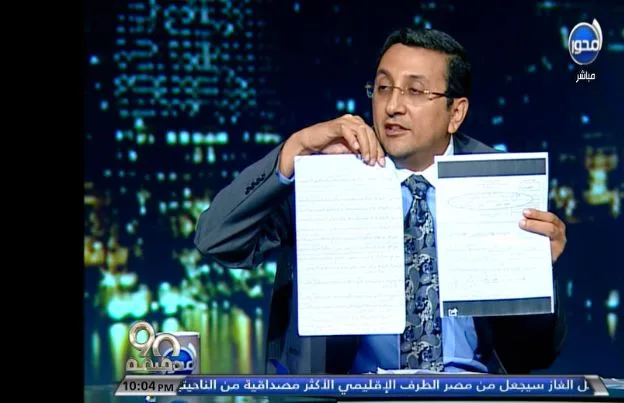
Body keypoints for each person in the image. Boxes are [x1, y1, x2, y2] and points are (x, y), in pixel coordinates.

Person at [194, 27, 567, 375]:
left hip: (469, 394)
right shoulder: (331, 175)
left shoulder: (497, 186)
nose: (393, 106)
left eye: (415, 91)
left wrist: (535, 278)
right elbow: (216, 240)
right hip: (353, 394)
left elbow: (536, 354)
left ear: (455, 113)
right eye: (384, 88)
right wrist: (295, 149)